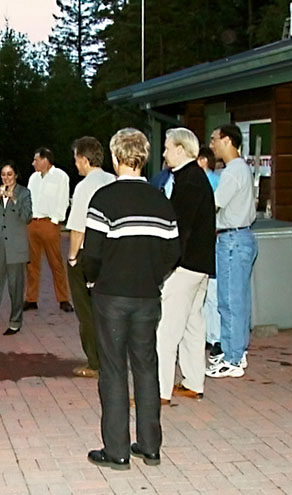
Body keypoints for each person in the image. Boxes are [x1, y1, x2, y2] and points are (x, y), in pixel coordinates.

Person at [81, 128, 179, 470]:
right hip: (148, 296)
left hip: (111, 295)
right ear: (145, 157)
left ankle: (118, 450)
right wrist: (153, 277)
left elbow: (90, 253)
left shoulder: (104, 199)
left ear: (114, 156)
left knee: (113, 370)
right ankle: (150, 447)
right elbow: (173, 252)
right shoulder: (161, 201)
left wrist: (92, 278)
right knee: (147, 367)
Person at [155, 128, 215, 404]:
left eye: (167, 148)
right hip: (199, 264)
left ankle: (159, 391)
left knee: (166, 329)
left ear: (180, 149)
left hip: (186, 265)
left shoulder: (188, 180)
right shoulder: (191, 177)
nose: (164, 153)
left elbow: (180, 229)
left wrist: (166, 265)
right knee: (192, 324)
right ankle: (193, 382)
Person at [206, 124, 257, 378]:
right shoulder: (240, 168)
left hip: (232, 240)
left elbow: (214, 204)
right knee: (235, 299)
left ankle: (233, 357)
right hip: (238, 238)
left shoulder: (232, 171)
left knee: (230, 300)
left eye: (214, 139)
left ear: (227, 140)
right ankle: (235, 351)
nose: (212, 144)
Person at [66, 137, 115, 378]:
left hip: (88, 252)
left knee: (86, 311)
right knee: (108, 308)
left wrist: (72, 257)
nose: (75, 164)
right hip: (112, 252)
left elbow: (78, 227)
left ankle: (94, 362)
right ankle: (112, 357)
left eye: (76, 159)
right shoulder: (114, 180)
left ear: (84, 159)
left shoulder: (84, 187)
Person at [0, 161, 32, 335]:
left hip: (15, 247)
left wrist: (15, 201)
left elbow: (27, 217)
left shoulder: (24, 193)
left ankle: (15, 321)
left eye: (9, 174)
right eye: (3, 174)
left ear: (16, 175)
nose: (6, 178)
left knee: (15, 286)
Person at [24, 147, 74, 313]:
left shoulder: (61, 176)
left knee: (56, 262)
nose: (33, 163)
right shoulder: (33, 178)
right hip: (33, 222)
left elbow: (63, 200)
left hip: (49, 224)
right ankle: (31, 299)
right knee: (31, 263)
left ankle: (63, 299)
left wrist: (55, 220)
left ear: (45, 160)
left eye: (36, 160)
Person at [197, 147, 222, 357]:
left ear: (204, 161)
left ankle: (216, 337)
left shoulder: (212, 182)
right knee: (205, 293)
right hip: (205, 241)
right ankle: (208, 335)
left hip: (211, 240)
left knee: (212, 293)